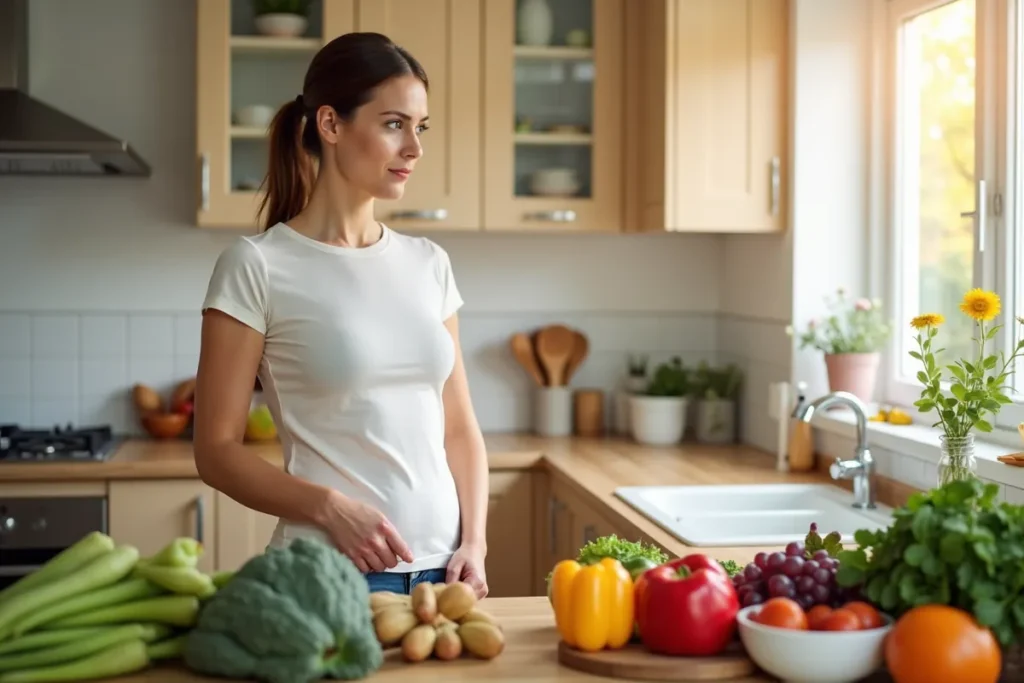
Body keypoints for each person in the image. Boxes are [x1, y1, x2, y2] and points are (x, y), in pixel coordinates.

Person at [191, 32, 490, 599]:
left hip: (445, 575)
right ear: (330, 124)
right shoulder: (256, 266)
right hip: (329, 574)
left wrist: (474, 543)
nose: (414, 149)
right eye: (394, 124)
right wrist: (328, 508)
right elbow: (217, 451)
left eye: (420, 127)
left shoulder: (430, 264)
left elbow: (459, 425)